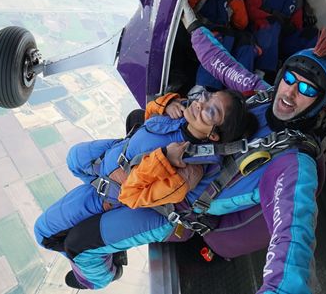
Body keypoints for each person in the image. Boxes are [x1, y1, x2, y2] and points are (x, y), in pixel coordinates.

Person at [57, 5, 326, 293]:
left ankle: (96, 277)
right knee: (137, 120)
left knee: (79, 244)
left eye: (306, 90)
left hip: (175, 209)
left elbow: (294, 236)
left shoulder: (294, 164)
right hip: (171, 165)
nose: (290, 92)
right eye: (290, 78)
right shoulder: (263, 96)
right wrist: (192, 23)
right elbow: (221, 63)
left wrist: (282, 289)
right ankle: (108, 206)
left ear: (320, 104)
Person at [33, 89, 255, 284]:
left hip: (126, 198)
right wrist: (165, 104)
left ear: (213, 136)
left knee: (46, 234)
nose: (200, 103)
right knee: (75, 159)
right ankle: (99, 236)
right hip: (118, 165)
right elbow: (149, 122)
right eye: (206, 97)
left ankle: (99, 276)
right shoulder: (184, 116)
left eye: (210, 111)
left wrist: (164, 159)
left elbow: (131, 196)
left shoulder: (187, 171)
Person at [246, 0, 318, 77]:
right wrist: (270, 17)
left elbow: (297, 25)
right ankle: (261, 73)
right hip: (260, 29)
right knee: (274, 25)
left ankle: (296, 72)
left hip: (281, 38)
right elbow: (251, 9)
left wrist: (290, 27)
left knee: (313, 34)